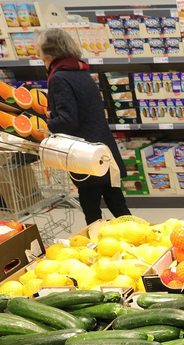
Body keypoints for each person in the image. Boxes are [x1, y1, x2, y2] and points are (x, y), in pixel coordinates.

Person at [38, 28, 131, 225]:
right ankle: (142, 240)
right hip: (102, 150)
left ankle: (101, 248)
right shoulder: (80, 71)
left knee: (92, 213)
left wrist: (43, 124)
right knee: (119, 206)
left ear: (48, 51)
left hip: (85, 156)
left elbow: (68, 121)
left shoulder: (59, 77)